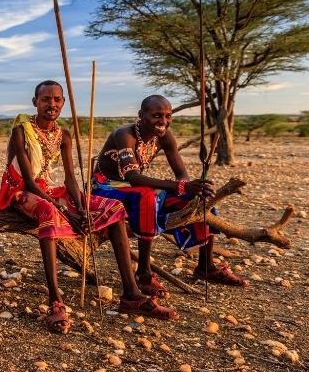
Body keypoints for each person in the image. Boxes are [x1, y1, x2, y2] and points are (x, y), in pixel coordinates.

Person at [0, 81, 176, 333]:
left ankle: (131, 294)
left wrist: (82, 208)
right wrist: (64, 210)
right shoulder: (22, 132)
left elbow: (69, 179)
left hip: (54, 189)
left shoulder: (63, 134)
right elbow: (29, 181)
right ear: (35, 102)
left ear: (63, 103)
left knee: (111, 208)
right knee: (48, 211)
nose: (52, 104)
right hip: (23, 190)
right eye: (46, 99)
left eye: (57, 100)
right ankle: (55, 300)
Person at [93, 95, 246, 299]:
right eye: (157, 115)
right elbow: (133, 177)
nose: (163, 121)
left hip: (134, 186)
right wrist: (181, 186)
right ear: (141, 115)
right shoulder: (124, 135)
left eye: (167, 116)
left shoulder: (165, 136)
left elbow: (181, 174)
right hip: (106, 186)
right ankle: (144, 273)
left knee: (198, 201)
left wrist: (190, 189)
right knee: (145, 195)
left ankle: (206, 266)